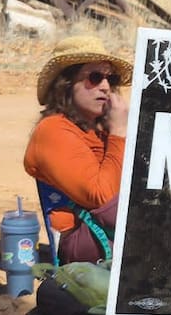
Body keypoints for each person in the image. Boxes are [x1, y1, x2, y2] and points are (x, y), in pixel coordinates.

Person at [24, 35, 132, 264]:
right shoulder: (53, 130)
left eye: (109, 79)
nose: (104, 86)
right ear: (67, 83)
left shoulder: (103, 129)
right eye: (94, 77)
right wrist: (120, 132)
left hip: (112, 226)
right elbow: (103, 197)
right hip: (81, 237)